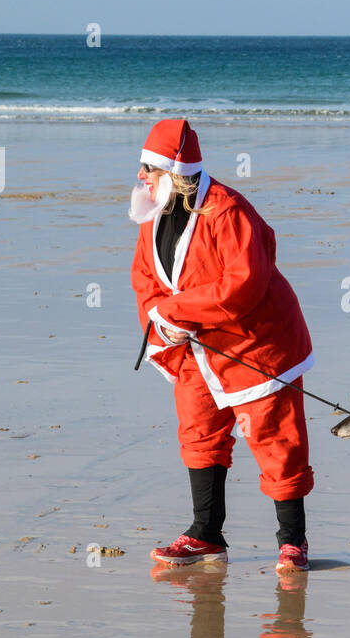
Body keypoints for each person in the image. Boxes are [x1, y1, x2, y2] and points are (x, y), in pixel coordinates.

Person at [129, 118, 315, 573]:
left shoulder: (227, 210)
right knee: (198, 430)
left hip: (258, 344)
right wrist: (162, 320)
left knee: (276, 440)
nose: (141, 178)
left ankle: (293, 543)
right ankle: (205, 535)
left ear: (174, 172)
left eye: (148, 169)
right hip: (195, 343)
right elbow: (146, 278)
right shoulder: (154, 214)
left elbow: (243, 284)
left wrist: (177, 313)